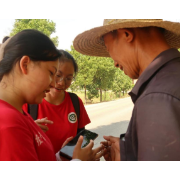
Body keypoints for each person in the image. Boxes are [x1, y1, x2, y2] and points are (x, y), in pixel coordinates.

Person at [73, 19, 180, 161]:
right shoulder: (171, 78)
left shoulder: (156, 98)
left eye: (108, 48)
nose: (115, 63)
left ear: (126, 34)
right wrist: (129, 152)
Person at [0, 29, 104, 161]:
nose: (54, 83)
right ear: (25, 65)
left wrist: (61, 157)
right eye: (51, 73)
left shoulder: (21, 116)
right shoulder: (9, 124)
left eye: (68, 78)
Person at [23, 49, 91, 154]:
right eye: (58, 75)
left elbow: (81, 136)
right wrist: (29, 130)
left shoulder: (75, 101)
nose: (61, 83)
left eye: (68, 78)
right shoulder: (29, 103)